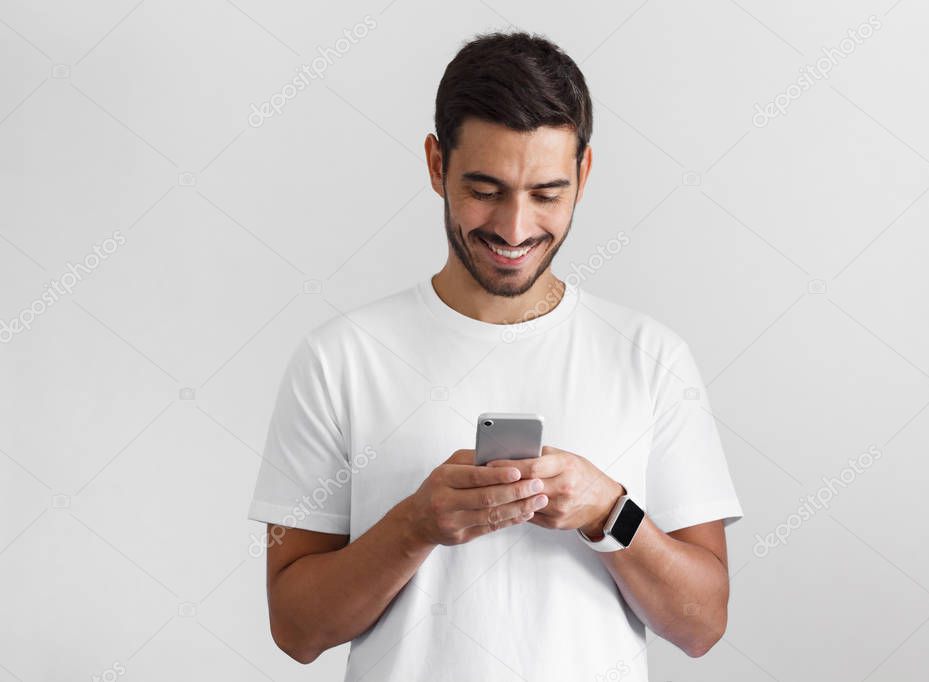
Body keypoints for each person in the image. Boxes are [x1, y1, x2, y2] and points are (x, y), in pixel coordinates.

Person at [247, 30, 743, 681]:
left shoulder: (650, 358)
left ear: (583, 175)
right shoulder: (340, 360)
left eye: (545, 193)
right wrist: (414, 527)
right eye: (484, 190)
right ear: (435, 165)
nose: (513, 229)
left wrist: (608, 512)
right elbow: (297, 630)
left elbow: (702, 625)